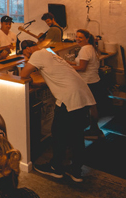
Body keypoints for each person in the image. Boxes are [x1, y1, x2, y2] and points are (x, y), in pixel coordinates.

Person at [20, 40, 95, 182]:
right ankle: (76, 171)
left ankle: (56, 168)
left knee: (58, 134)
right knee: (77, 136)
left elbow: (24, 74)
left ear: (28, 49)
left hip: (69, 99)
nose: (27, 57)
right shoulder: (49, 52)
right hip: (82, 95)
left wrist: (28, 66)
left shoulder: (36, 54)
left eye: (25, 54)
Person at [67, 29, 105, 139]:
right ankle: (94, 129)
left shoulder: (85, 50)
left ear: (87, 39)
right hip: (94, 80)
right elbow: (81, 62)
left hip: (88, 81)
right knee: (92, 105)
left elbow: (82, 68)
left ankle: (93, 130)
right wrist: (69, 63)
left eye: (80, 37)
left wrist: (68, 68)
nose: (77, 39)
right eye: (76, 36)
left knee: (90, 106)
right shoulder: (90, 48)